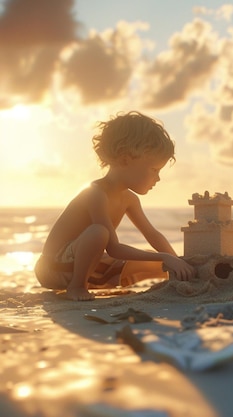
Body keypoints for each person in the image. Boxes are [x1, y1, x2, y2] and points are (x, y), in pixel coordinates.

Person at [35, 111, 196, 301]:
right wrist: (165, 257)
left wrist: (176, 261)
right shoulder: (96, 193)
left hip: (90, 265)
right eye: (154, 170)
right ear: (124, 160)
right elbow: (113, 248)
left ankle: (176, 279)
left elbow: (152, 234)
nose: (158, 178)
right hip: (53, 269)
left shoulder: (129, 199)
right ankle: (76, 287)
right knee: (98, 232)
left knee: (160, 262)